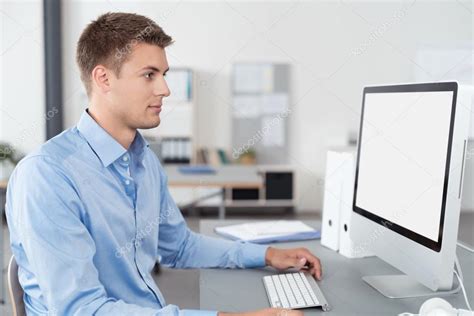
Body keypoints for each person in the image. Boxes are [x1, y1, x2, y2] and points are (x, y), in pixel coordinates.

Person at [5, 12, 322, 316]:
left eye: (164, 75)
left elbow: (180, 246)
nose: (165, 89)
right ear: (103, 78)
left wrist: (266, 255)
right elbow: (81, 311)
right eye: (149, 75)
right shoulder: (47, 175)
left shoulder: (144, 162)